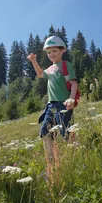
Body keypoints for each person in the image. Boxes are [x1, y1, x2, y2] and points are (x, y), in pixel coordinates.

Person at [27, 35, 78, 183]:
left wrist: (71, 99)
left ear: (62, 50)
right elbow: (40, 74)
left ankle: (73, 155)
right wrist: (34, 61)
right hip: (51, 105)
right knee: (45, 131)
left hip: (63, 103)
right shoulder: (50, 69)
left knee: (66, 131)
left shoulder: (66, 65)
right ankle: (51, 161)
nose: (51, 54)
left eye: (54, 50)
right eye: (49, 52)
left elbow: (74, 84)